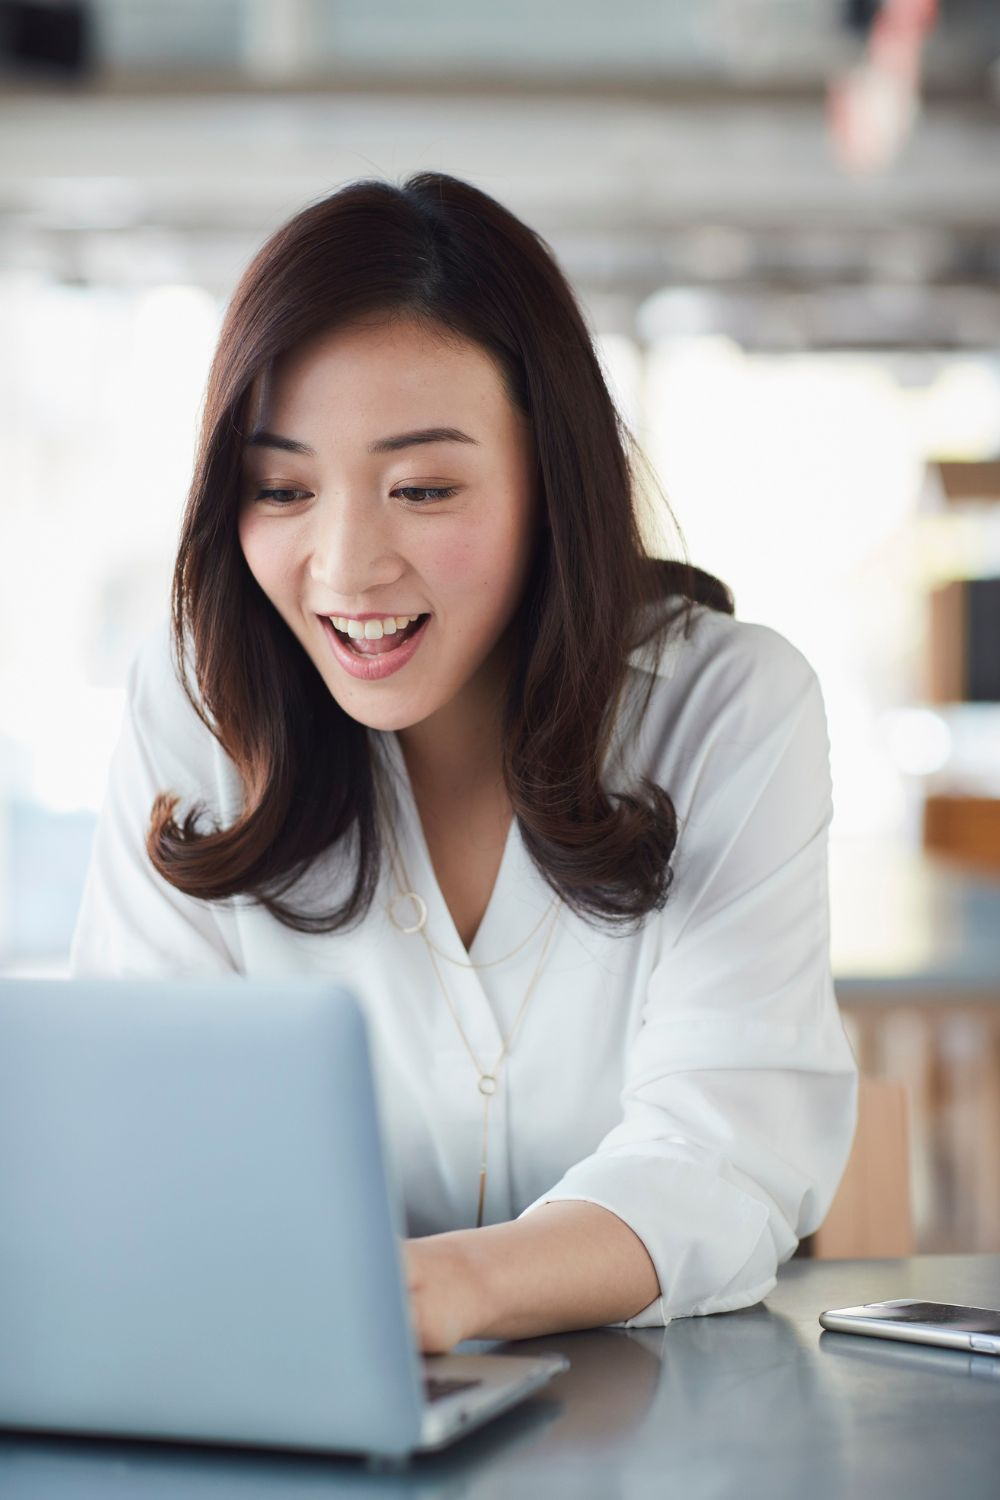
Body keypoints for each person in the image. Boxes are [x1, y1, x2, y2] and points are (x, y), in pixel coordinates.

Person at [70, 170, 859, 1355]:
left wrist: (446, 1292)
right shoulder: (192, 707)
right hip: (289, 1403)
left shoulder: (726, 708)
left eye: (422, 488)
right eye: (282, 488)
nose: (343, 568)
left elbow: (726, 1151)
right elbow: (139, 1137)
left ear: (554, 479)